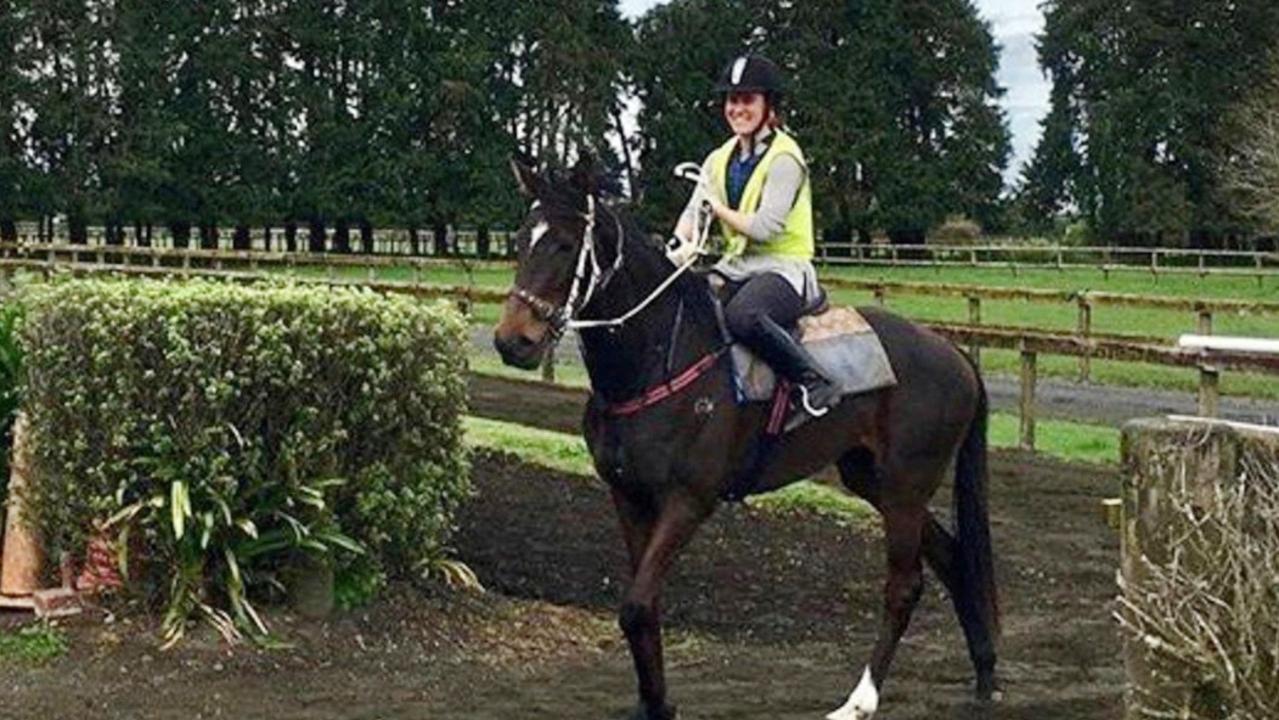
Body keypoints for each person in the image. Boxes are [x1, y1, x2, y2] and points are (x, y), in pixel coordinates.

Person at [671, 54, 840, 416]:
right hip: (738, 267)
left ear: (769, 106)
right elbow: (692, 212)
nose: (737, 108)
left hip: (785, 270)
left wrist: (716, 210)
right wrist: (678, 246)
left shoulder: (785, 159)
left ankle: (813, 380)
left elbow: (765, 227)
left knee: (744, 316)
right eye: (732, 100)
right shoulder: (718, 158)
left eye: (747, 99)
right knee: (687, 302)